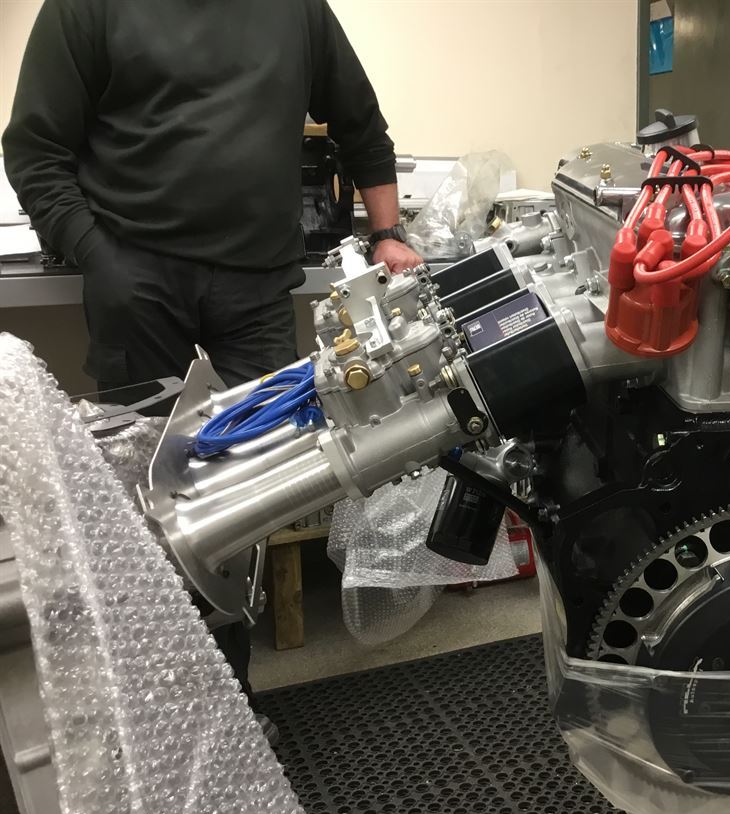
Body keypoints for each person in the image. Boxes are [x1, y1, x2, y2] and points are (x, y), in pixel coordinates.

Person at [2, 0, 423, 734]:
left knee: (259, 484)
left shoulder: (295, 9)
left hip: (256, 284)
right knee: (144, 493)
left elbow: (361, 121)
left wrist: (387, 231)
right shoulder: (88, 6)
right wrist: (95, 255)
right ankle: (160, 710)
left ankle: (232, 700)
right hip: (139, 279)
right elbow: (35, 149)